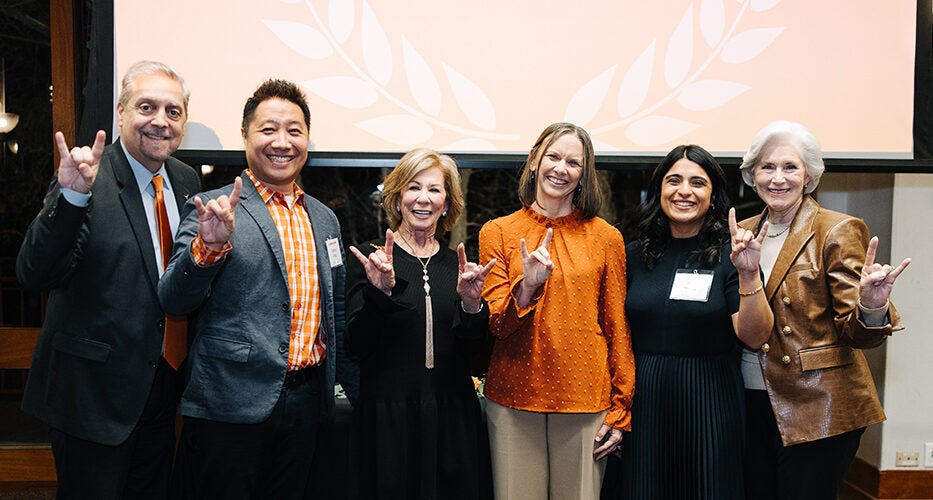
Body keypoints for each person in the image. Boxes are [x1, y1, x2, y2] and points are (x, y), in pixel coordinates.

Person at [16, 60, 200, 499]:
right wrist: (72, 198)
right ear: (121, 112)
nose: (160, 121)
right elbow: (35, 272)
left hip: (161, 393)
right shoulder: (87, 176)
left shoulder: (185, 180)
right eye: (146, 107)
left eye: (173, 112)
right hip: (91, 398)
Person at [158, 79, 346, 499]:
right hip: (229, 405)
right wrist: (207, 247)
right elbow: (173, 299)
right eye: (268, 129)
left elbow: (333, 318)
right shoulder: (213, 208)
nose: (282, 142)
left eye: (294, 131)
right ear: (244, 135)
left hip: (306, 404)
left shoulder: (325, 220)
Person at [737, 120, 911, 500]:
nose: (777, 178)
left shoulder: (837, 229)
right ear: (752, 175)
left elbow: (859, 335)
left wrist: (872, 305)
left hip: (818, 406)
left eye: (790, 167)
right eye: (767, 167)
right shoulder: (743, 231)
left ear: (809, 176)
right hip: (749, 401)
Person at [602, 145, 773, 499]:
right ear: (659, 190)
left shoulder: (733, 254)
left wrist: (749, 275)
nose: (684, 191)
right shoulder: (634, 254)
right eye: (673, 180)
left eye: (698, 182)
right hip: (645, 400)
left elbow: (754, 337)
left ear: (713, 196)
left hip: (710, 398)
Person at [478, 122, 634, 500]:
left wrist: (621, 407)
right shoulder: (496, 232)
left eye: (573, 162)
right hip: (513, 398)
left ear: (584, 174)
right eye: (553, 157)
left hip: (585, 400)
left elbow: (617, 325)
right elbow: (496, 322)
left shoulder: (606, 237)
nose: (560, 169)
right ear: (534, 161)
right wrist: (528, 286)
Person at [345, 148, 495, 499]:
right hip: (387, 422)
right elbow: (356, 345)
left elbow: (476, 361)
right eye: (413, 188)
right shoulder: (371, 260)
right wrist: (378, 294)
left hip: (453, 421)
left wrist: (473, 305)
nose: (423, 199)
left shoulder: (459, 268)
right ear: (397, 198)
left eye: (434, 189)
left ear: (447, 202)